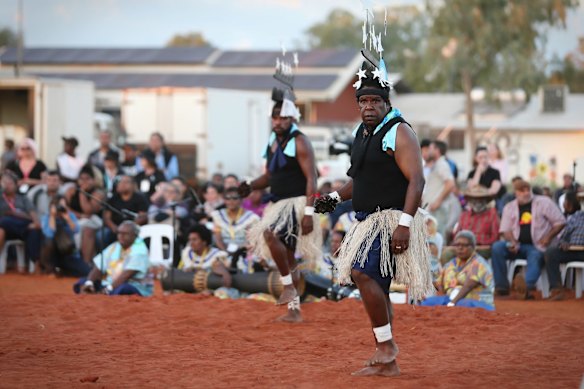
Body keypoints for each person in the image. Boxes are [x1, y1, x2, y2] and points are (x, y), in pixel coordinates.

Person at [314, 60, 432, 377]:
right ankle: (388, 361)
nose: (368, 107)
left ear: (386, 102)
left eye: (375, 101)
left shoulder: (400, 132)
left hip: (391, 220)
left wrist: (404, 225)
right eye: (363, 101)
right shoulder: (363, 133)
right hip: (367, 220)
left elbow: (417, 181)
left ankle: (385, 346)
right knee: (373, 282)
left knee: (361, 274)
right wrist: (335, 198)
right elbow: (360, 180)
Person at [239, 85, 321, 323]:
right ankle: (294, 309)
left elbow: (312, 178)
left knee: (268, 233)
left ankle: (287, 287)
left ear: (292, 118)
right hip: (277, 204)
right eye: (275, 117)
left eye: (283, 117)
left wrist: (308, 212)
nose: (278, 121)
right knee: (287, 255)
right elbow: (269, 177)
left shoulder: (301, 141)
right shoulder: (273, 141)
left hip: (295, 204)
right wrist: (251, 185)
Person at [491, 179, 565, 299]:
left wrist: (548, 237)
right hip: (518, 245)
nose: (526, 193)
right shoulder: (509, 207)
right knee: (497, 247)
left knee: (535, 256)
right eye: (522, 191)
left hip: (537, 245)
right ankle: (501, 287)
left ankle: (526, 286)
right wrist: (512, 241)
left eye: (527, 190)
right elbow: (505, 229)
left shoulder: (544, 202)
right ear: (515, 193)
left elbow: (560, 222)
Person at [421, 230, 495, 311]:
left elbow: (468, 286)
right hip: (452, 299)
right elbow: (438, 284)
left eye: (464, 245)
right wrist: (422, 291)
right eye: (457, 245)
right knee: (428, 303)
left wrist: (452, 303)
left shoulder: (479, 264)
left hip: (477, 302)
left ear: (473, 247)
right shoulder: (451, 264)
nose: (460, 248)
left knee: (461, 305)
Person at [74, 221, 152, 296]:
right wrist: (89, 283)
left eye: (125, 234)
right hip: (110, 283)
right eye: (119, 233)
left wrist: (109, 288)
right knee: (83, 282)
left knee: (123, 290)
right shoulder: (115, 246)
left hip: (134, 286)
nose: (120, 236)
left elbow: (126, 276)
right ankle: (96, 293)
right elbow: (99, 267)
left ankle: (103, 295)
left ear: (134, 236)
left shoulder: (140, 250)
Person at [544, 191, 584, 300]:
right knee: (551, 252)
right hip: (573, 251)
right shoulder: (577, 216)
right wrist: (563, 243)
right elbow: (563, 236)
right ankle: (556, 289)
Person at [0, 170, 42, 272]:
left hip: (23, 227)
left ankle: (35, 263)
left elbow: (34, 218)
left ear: (16, 185)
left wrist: (16, 214)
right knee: (3, 223)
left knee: (34, 231)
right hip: (7, 229)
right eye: (4, 183)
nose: (7, 186)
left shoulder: (23, 199)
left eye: (9, 183)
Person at [64, 164, 106, 264]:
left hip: (94, 221)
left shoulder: (98, 193)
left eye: (87, 178)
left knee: (86, 229)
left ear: (94, 179)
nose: (84, 181)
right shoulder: (71, 191)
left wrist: (82, 193)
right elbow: (65, 208)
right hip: (74, 219)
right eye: (81, 178)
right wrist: (80, 216)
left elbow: (88, 210)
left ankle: (86, 263)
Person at [211, 187, 260, 272]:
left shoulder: (251, 217)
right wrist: (226, 251)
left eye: (235, 198)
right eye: (228, 198)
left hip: (244, 251)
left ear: (241, 200)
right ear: (224, 200)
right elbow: (218, 238)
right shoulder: (218, 215)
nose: (231, 201)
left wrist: (239, 251)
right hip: (224, 251)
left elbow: (251, 240)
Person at [40, 195, 90, 276]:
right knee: (48, 242)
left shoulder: (70, 216)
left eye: (64, 205)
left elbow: (76, 230)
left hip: (67, 252)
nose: (61, 208)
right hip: (53, 254)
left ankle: (63, 271)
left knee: (86, 271)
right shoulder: (46, 218)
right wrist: (52, 216)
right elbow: (49, 234)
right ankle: (50, 269)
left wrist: (67, 218)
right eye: (59, 205)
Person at [422, 140, 461, 238]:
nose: (428, 151)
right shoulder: (436, 164)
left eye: (430, 148)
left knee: (438, 238)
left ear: (437, 150)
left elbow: (450, 183)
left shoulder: (442, 164)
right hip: (433, 210)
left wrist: (438, 201)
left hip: (439, 210)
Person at [449, 186, 500, 260]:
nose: (477, 202)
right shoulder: (464, 215)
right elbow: (457, 235)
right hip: (462, 246)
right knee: (447, 253)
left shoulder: (492, 214)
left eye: (481, 199)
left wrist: (477, 243)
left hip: (482, 248)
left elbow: (495, 237)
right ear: (469, 200)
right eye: (474, 199)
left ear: (486, 200)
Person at [101, 175, 149, 249]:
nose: (122, 184)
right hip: (115, 228)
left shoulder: (140, 198)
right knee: (101, 235)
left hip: (133, 228)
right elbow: (107, 217)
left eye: (126, 182)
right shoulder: (113, 199)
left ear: (133, 185)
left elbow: (142, 217)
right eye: (120, 182)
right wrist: (114, 227)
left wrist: (129, 228)